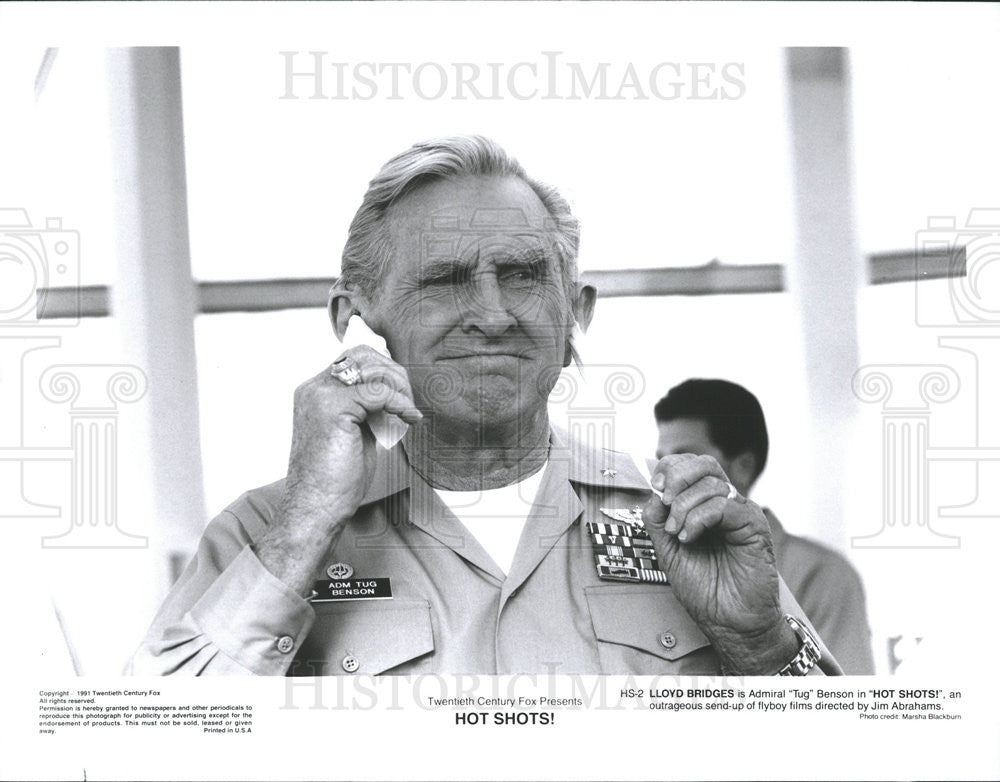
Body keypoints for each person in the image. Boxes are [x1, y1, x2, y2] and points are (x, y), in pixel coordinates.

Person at [131, 135, 841, 676]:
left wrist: (760, 644)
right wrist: (302, 533)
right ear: (357, 321)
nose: (493, 314)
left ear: (575, 315)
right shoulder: (263, 531)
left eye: (525, 275)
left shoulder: (685, 529)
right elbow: (141, 754)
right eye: (444, 280)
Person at [653, 378, 876, 674]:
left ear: (743, 465)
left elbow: (847, 700)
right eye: (660, 459)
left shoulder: (823, 575)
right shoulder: (658, 557)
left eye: (684, 457)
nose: (668, 472)